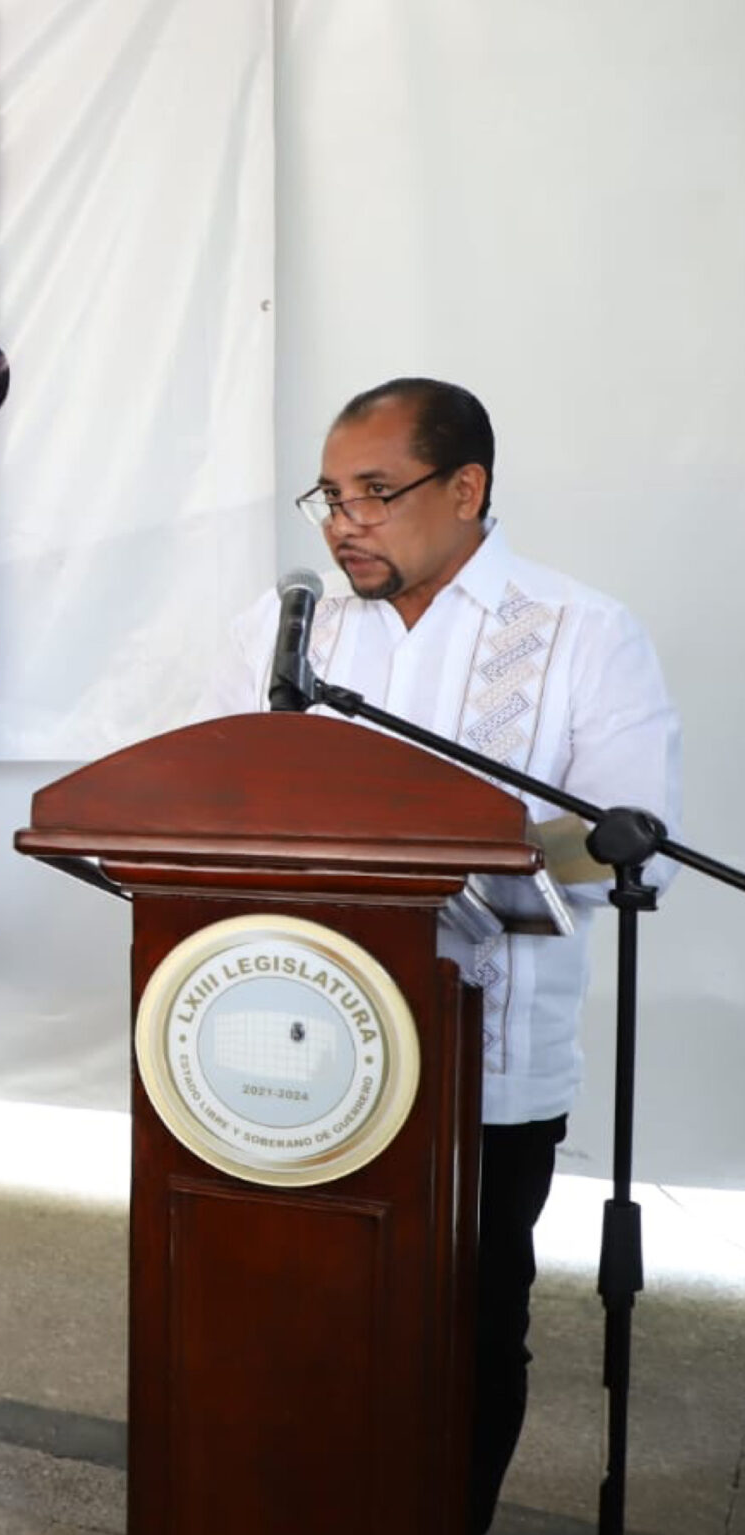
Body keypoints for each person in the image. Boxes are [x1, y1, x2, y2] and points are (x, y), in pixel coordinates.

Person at [210, 378, 680, 1535]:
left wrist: (465, 848)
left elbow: (636, 848)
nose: (342, 521)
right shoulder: (289, 636)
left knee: (461, 1332)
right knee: (300, 1319)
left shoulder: (579, 629)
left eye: (377, 491)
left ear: (465, 489)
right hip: (289, 1056)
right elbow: (206, 799)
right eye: (330, 494)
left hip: (485, 1076)